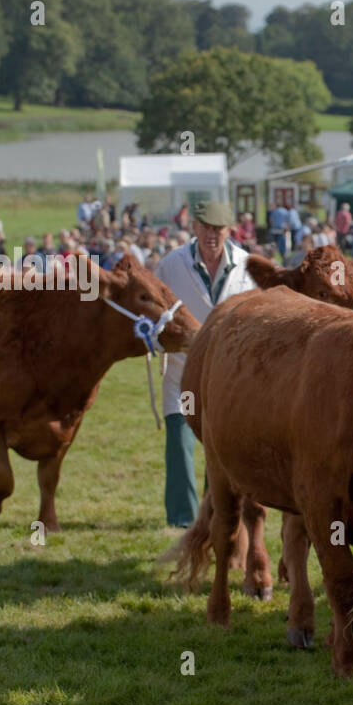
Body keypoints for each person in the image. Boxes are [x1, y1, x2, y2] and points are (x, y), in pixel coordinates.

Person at [156, 201, 257, 527]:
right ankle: (182, 519)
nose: (212, 235)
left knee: (223, 447)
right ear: (195, 228)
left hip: (229, 374)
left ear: (229, 231)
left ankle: (213, 511)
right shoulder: (172, 264)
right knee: (181, 441)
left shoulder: (246, 265)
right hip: (183, 368)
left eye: (219, 229)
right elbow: (155, 308)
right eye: (206, 228)